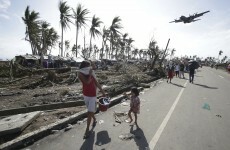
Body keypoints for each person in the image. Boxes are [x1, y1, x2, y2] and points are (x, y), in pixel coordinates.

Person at [78, 60, 106, 139]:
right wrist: (90, 74)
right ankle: (94, 119)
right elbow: (87, 82)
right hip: (86, 95)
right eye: (89, 66)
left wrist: (103, 92)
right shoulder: (80, 73)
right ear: (85, 67)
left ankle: (87, 130)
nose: (90, 67)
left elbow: (96, 83)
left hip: (93, 95)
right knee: (90, 112)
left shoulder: (92, 72)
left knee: (89, 112)